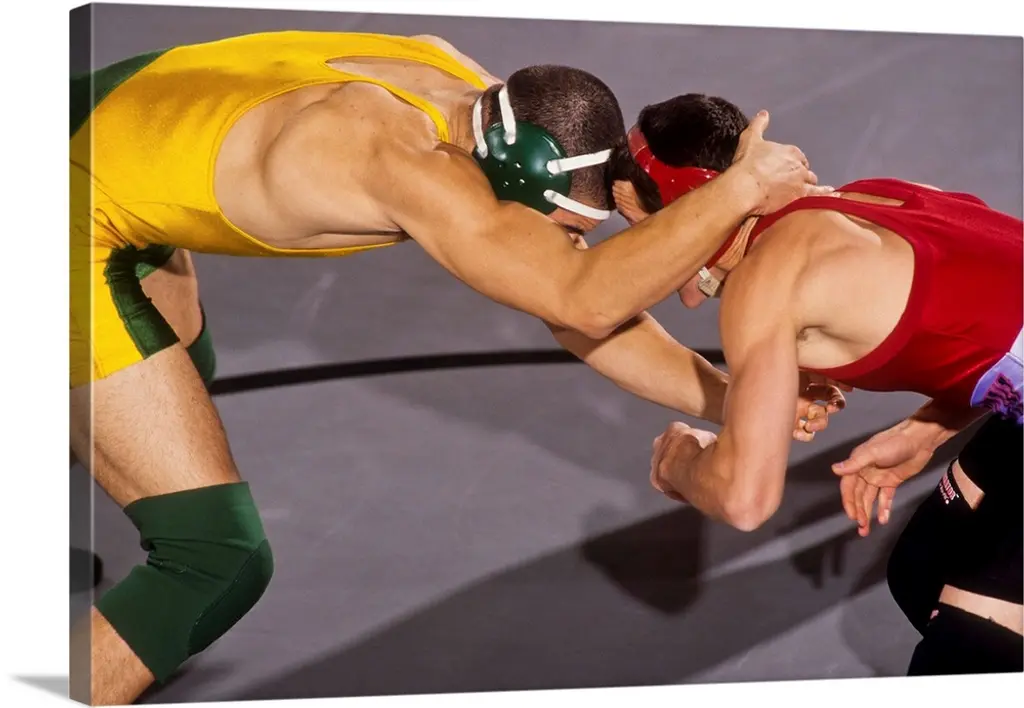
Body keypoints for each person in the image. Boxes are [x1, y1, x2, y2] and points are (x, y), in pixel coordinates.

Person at [70, 31, 831, 704]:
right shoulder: (399, 161)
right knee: (212, 558)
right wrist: (742, 189)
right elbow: (584, 301)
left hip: (90, 124)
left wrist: (737, 400)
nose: (561, 243)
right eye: (563, 227)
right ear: (522, 176)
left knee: (173, 369)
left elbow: (572, 307)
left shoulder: (464, 87)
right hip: (59, 215)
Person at [618, 93, 1022, 675]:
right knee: (923, 569)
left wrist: (679, 461)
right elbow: (1002, 322)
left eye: (649, 235)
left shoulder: (768, 281)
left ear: (693, 212)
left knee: (963, 652)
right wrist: (926, 429)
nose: (648, 264)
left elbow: (745, 499)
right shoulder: (872, 195)